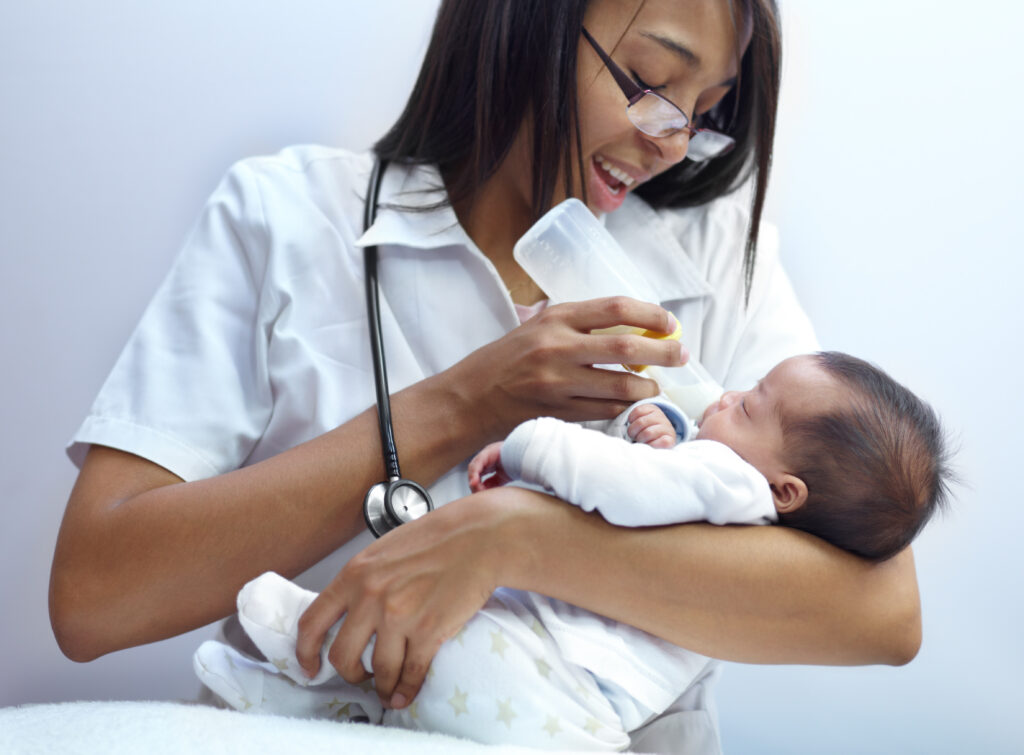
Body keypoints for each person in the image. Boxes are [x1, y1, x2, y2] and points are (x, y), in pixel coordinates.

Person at [49, 2, 924, 753]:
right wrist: (466, 401)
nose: (672, 143)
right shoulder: (284, 219)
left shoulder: (718, 261)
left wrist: (512, 536)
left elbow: (880, 611)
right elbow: (95, 598)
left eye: (705, 111)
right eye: (652, 82)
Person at [191, 351, 949, 749]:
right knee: (414, 686)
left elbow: (622, 487)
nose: (724, 396)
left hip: (547, 680)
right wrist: (665, 423)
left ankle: (305, 641)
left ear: (786, 491)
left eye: (748, 404)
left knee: (432, 647)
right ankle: (297, 698)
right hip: (569, 716)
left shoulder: (728, 479)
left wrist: (530, 447)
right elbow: (668, 473)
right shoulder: (751, 509)